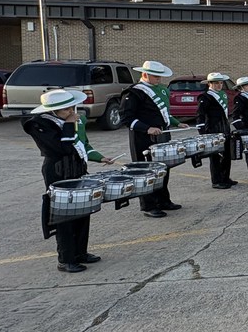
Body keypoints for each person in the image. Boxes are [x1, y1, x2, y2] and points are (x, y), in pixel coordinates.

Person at [23, 89, 115, 272]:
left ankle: (80, 252)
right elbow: (62, 148)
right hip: (58, 171)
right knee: (64, 216)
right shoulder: (40, 125)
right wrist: (69, 124)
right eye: (66, 110)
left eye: (72, 108)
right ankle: (65, 259)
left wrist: (99, 157)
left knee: (83, 211)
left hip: (77, 168)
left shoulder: (72, 121)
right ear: (53, 111)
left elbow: (83, 145)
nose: (71, 112)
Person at [120, 59, 188, 217]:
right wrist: (147, 128)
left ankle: (163, 200)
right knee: (147, 172)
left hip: (162, 135)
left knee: (164, 169)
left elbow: (163, 113)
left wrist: (177, 123)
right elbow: (126, 118)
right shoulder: (133, 92)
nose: (159, 79)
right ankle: (149, 205)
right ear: (145, 74)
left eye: (160, 76)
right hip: (143, 139)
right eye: (156, 76)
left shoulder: (161, 90)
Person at [196, 72, 236, 189]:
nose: (219, 85)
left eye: (220, 83)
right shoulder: (205, 96)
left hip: (224, 127)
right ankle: (216, 180)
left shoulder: (222, 94)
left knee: (226, 155)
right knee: (215, 157)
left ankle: (225, 177)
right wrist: (202, 131)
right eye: (216, 83)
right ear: (209, 84)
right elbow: (200, 114)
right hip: (213, 128)